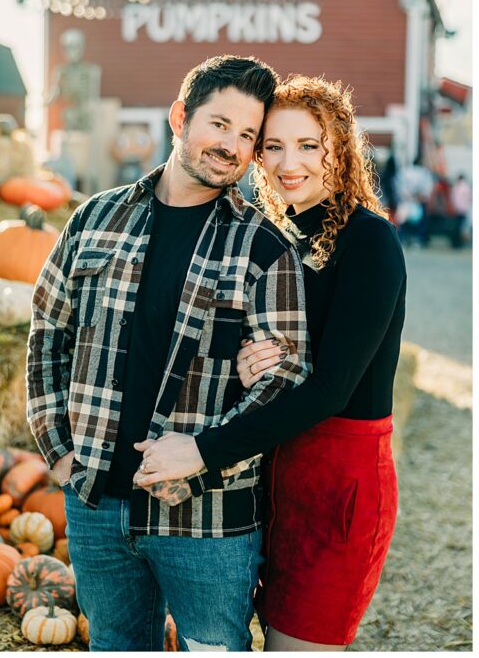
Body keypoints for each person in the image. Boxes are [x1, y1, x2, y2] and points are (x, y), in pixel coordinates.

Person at [27, 55, 311, 651]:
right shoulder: (96, 218)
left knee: (213, 648)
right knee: (114, 645)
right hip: (95, 503)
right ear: (181, 116)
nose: (230, 145)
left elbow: (283, 377)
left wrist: (206, 454)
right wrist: (58, 453)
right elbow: (48, 331)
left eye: (247, 136)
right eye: (219, 124)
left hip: (208, 517)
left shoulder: (264, 246)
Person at [134, 75, 406, 650]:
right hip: (273, 472)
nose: (290, 163)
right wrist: (253, 364)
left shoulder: (369, 241)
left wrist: (201, 451)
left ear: (341, 147)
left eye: (309, 145)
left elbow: (332, 387)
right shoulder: (281, 239)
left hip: (338, 480)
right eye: (274, 147)